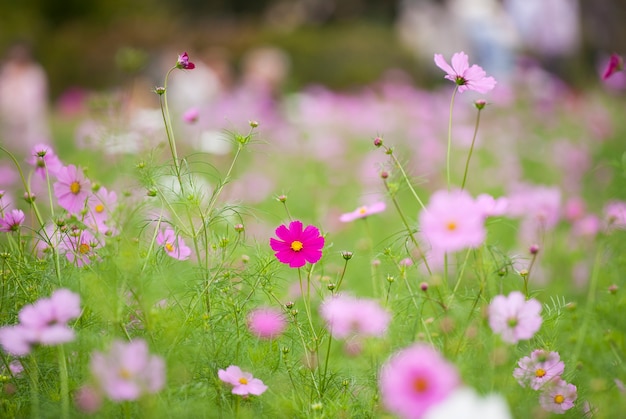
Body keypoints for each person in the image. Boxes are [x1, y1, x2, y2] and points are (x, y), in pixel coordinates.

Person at [0, 41, 51, 155]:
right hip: (9, 120)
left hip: (31, 121)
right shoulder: (7, 71)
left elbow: (37, 100)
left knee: (33, 148)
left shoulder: (35, 73)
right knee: (11, 151)